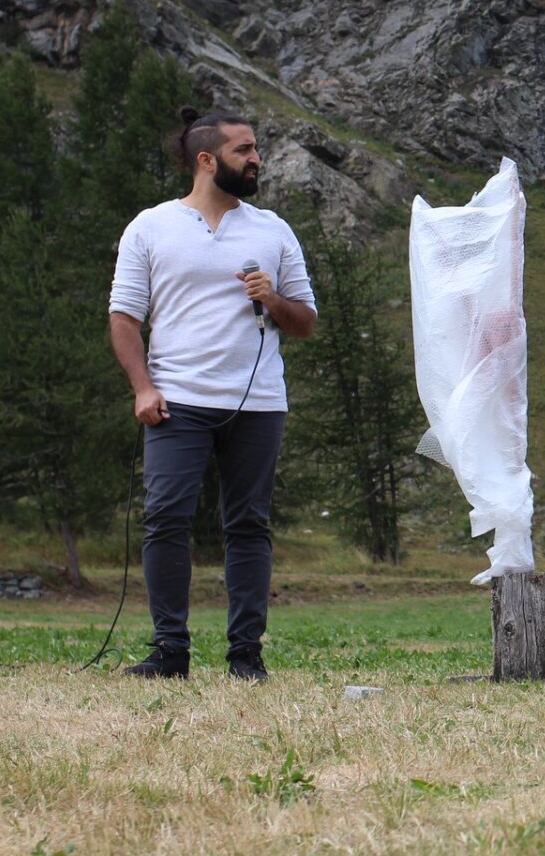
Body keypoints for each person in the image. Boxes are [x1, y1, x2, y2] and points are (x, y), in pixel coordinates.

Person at [108, 109, 316, 681]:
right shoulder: (150, 227)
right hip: (177, 401)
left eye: (255, 148)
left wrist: (271, 300)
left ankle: (246, 656)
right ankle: (169, 651)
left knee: (248, 524)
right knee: (166, 520)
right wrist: (142, 388)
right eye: (244, 150)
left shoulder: (273, 230)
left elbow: (304, 322)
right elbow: (124, 316)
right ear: (207, 159)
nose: (256, 159)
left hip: (258, 403)